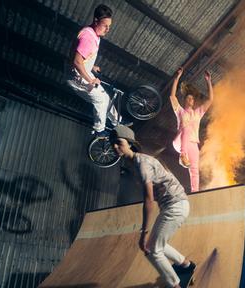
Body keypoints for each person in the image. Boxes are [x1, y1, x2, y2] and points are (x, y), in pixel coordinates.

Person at [111, 125, 196, 288]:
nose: (115, 147)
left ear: (129, 143)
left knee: (151, 250)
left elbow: (148, 200)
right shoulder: (135, 163)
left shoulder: (141, 163)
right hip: (174, 205)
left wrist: (144, 231)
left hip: (175, 206)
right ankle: (186, 264)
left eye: (119, 143)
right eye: (112, 144)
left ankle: (175, 285)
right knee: (156, 245)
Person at [66, 4, 122, 136]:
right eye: (105, 26)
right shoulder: (88, 38)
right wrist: (90, 79)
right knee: (100, 100)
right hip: (77, 77)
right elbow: (76, 62)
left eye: (109, 26)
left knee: (106, 97)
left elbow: (83, 57)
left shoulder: (94, 33)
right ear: (96, 21)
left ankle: (117, 122)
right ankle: (99, 131)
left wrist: (92, 66)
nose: (107, 29)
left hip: (83, 70)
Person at [169, 68, 214, 192]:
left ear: (193, 102)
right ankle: (182, 155)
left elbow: (210, 100)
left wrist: (209, 81)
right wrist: (176, 78)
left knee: (194, 169)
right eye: (188, 98)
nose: (190, 100)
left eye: (192, 99)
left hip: (192, 144)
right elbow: (172, 96)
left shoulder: (197, 113)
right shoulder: (180, 111)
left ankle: (195, 192)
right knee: (187, 128)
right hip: (179, 143)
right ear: (184, 101)